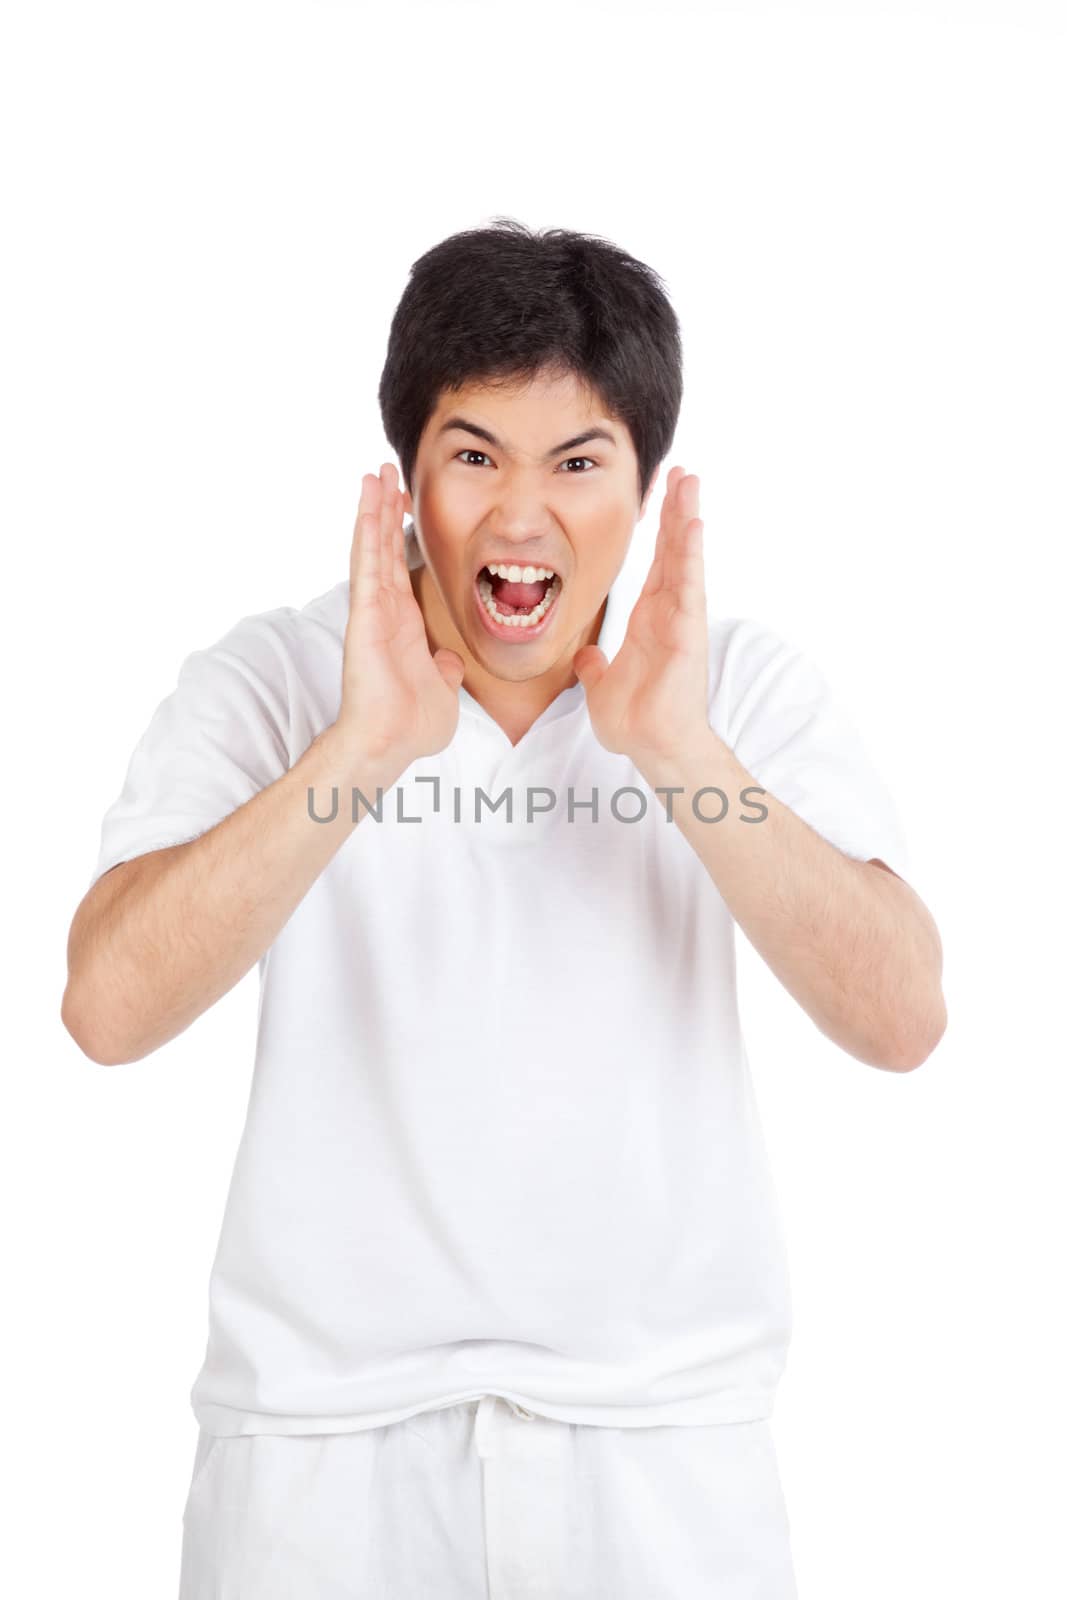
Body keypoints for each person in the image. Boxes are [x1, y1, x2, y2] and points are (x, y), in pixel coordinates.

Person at [62, 218, 946, 1598]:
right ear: (408, 477)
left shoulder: (738, 693)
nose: (522, 516)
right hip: (317, 1463)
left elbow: (902, 1017)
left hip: (665, 1462)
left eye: (579, 463)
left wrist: (680, 756)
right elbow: (107, 1010)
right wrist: (359, 752)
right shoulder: (275, 684)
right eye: (474, 456)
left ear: (644, 488)